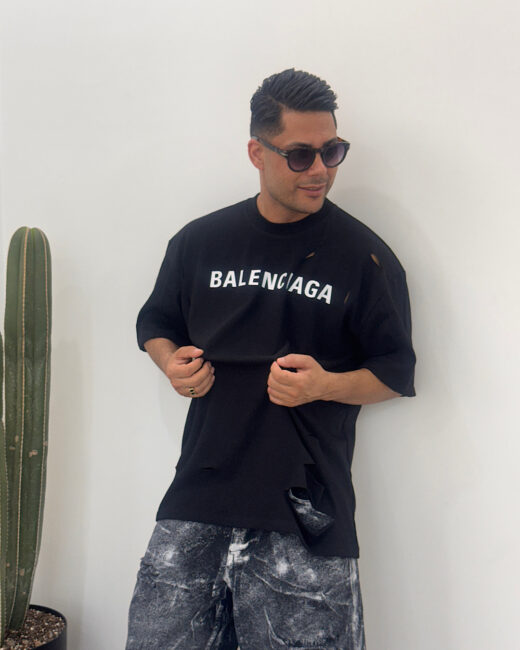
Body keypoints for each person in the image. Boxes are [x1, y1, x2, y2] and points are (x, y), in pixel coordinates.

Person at [125, 68, 416, 650]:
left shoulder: (365, 257)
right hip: (198, 496)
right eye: (301, 154)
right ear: (257, 152)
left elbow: (394, 372)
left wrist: (324, 385)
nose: (321, 170)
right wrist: (170, 363)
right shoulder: (199, 242)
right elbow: (155, 324)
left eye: (333, 151)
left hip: (306, 511)